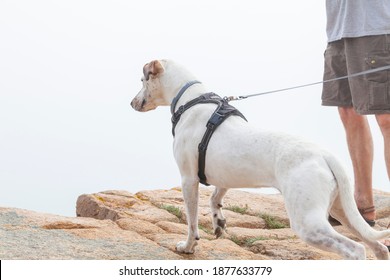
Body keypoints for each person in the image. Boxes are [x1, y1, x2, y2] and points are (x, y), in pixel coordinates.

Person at [322, 0, 390, 234]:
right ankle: (362, 206)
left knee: (387, 117)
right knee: (348, 110)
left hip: (379, 26)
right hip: (339, 29)